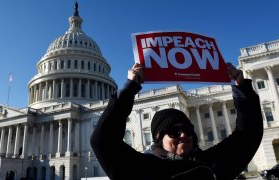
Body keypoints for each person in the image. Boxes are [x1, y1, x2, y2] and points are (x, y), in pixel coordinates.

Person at [90, 63, 263, 180]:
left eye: (188, 130)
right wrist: (129, 89)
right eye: (173, 131)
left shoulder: (211, 163)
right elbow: (103, 141)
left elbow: (248, 135)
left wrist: (243, 87)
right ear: (158, 137)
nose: (183, 135)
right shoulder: (142, 169)